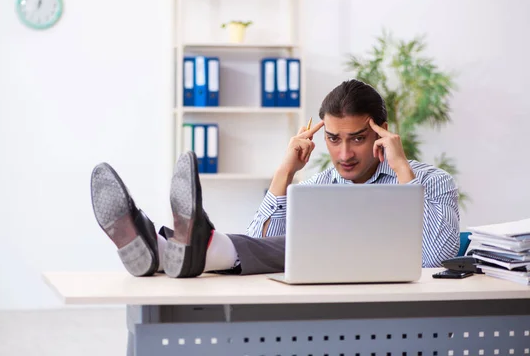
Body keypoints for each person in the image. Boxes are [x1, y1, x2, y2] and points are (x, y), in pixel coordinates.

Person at [90, 79, 460, 279]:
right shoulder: (321, 188)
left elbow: (432, 259)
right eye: (333, 139)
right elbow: (262, 246)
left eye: (358, 139)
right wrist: (284, 174)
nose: (344, 154)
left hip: (389, 303)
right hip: (328, 298)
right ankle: (171, 251)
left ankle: (176, 246)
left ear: (382, 133)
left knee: (300, 245)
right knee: (289, 245)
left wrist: (402, 173)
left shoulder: (432, 181)